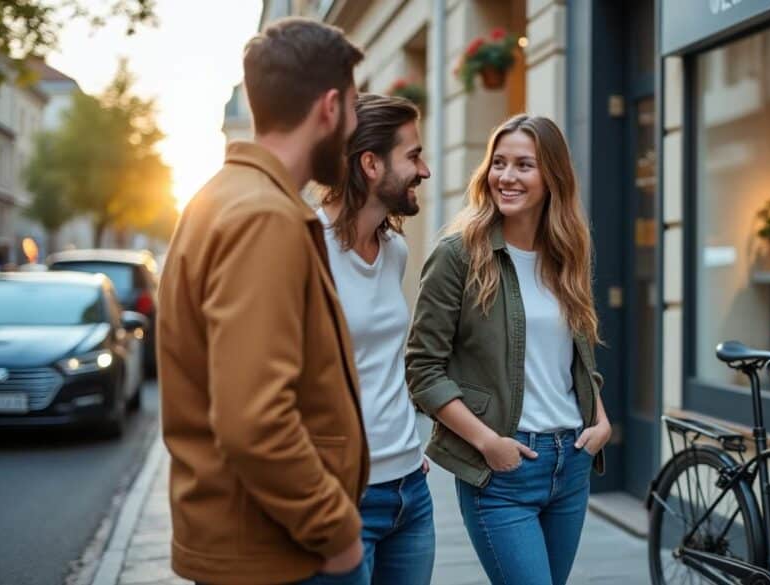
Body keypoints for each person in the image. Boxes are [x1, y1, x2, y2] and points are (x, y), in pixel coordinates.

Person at [156, 18, 370, 585]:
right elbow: (254, 421)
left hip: (260, 542)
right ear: (329, 108)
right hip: (281, 553)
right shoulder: (264, 218)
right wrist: (337, 531)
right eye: (353, 107)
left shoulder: (224, 198)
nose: (355, 127)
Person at [407, 114, 612, 585]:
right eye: (498, 163)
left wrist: (600, 419)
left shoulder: (567, 254)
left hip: (571, 463)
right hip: (502, 471)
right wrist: (488, 444)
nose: (506, 176)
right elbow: (423, 369)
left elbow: (575, 357)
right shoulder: (458, 254)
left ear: (552, 177)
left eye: (524, 165)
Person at [317, 93, 434, 584]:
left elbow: (386, 361)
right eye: (413, 155)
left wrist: (407, 446)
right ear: (370, 163)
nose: (424, 170)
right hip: (344, 497)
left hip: (411, 491)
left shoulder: (395, 251)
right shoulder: (306, 248)